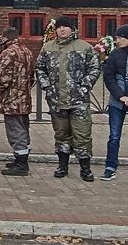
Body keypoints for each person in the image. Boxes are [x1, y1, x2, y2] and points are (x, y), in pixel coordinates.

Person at [35, 16, 101, 182]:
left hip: (79, 102)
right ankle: (62, 166)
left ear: (72, 29)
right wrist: (47, 86)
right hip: (57, 101)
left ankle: (85, 169)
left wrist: (84, 86)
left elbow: (94, 68)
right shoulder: (48, 47)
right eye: (59, 27)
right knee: (61, 134)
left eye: (65, 26)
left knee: (82, 135)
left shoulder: (84, 47)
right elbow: (40, 68)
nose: (62, 29)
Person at [100, 24, 128, 182]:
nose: (117, 41)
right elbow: (108, 77)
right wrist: (120, 96)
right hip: (116, 103)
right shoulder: (115, 54)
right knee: (114, 136)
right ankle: (110, 168)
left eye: (119, 37)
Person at [0, 27, 35, 177]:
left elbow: (1, 78)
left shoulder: (8, 53)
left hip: (11, 100)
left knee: (15, 132)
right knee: (23, 129)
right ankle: (20, 159)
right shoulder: (27, 51)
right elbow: (32, 76)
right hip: (24, 99)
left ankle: (21, 164)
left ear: (5, 38)